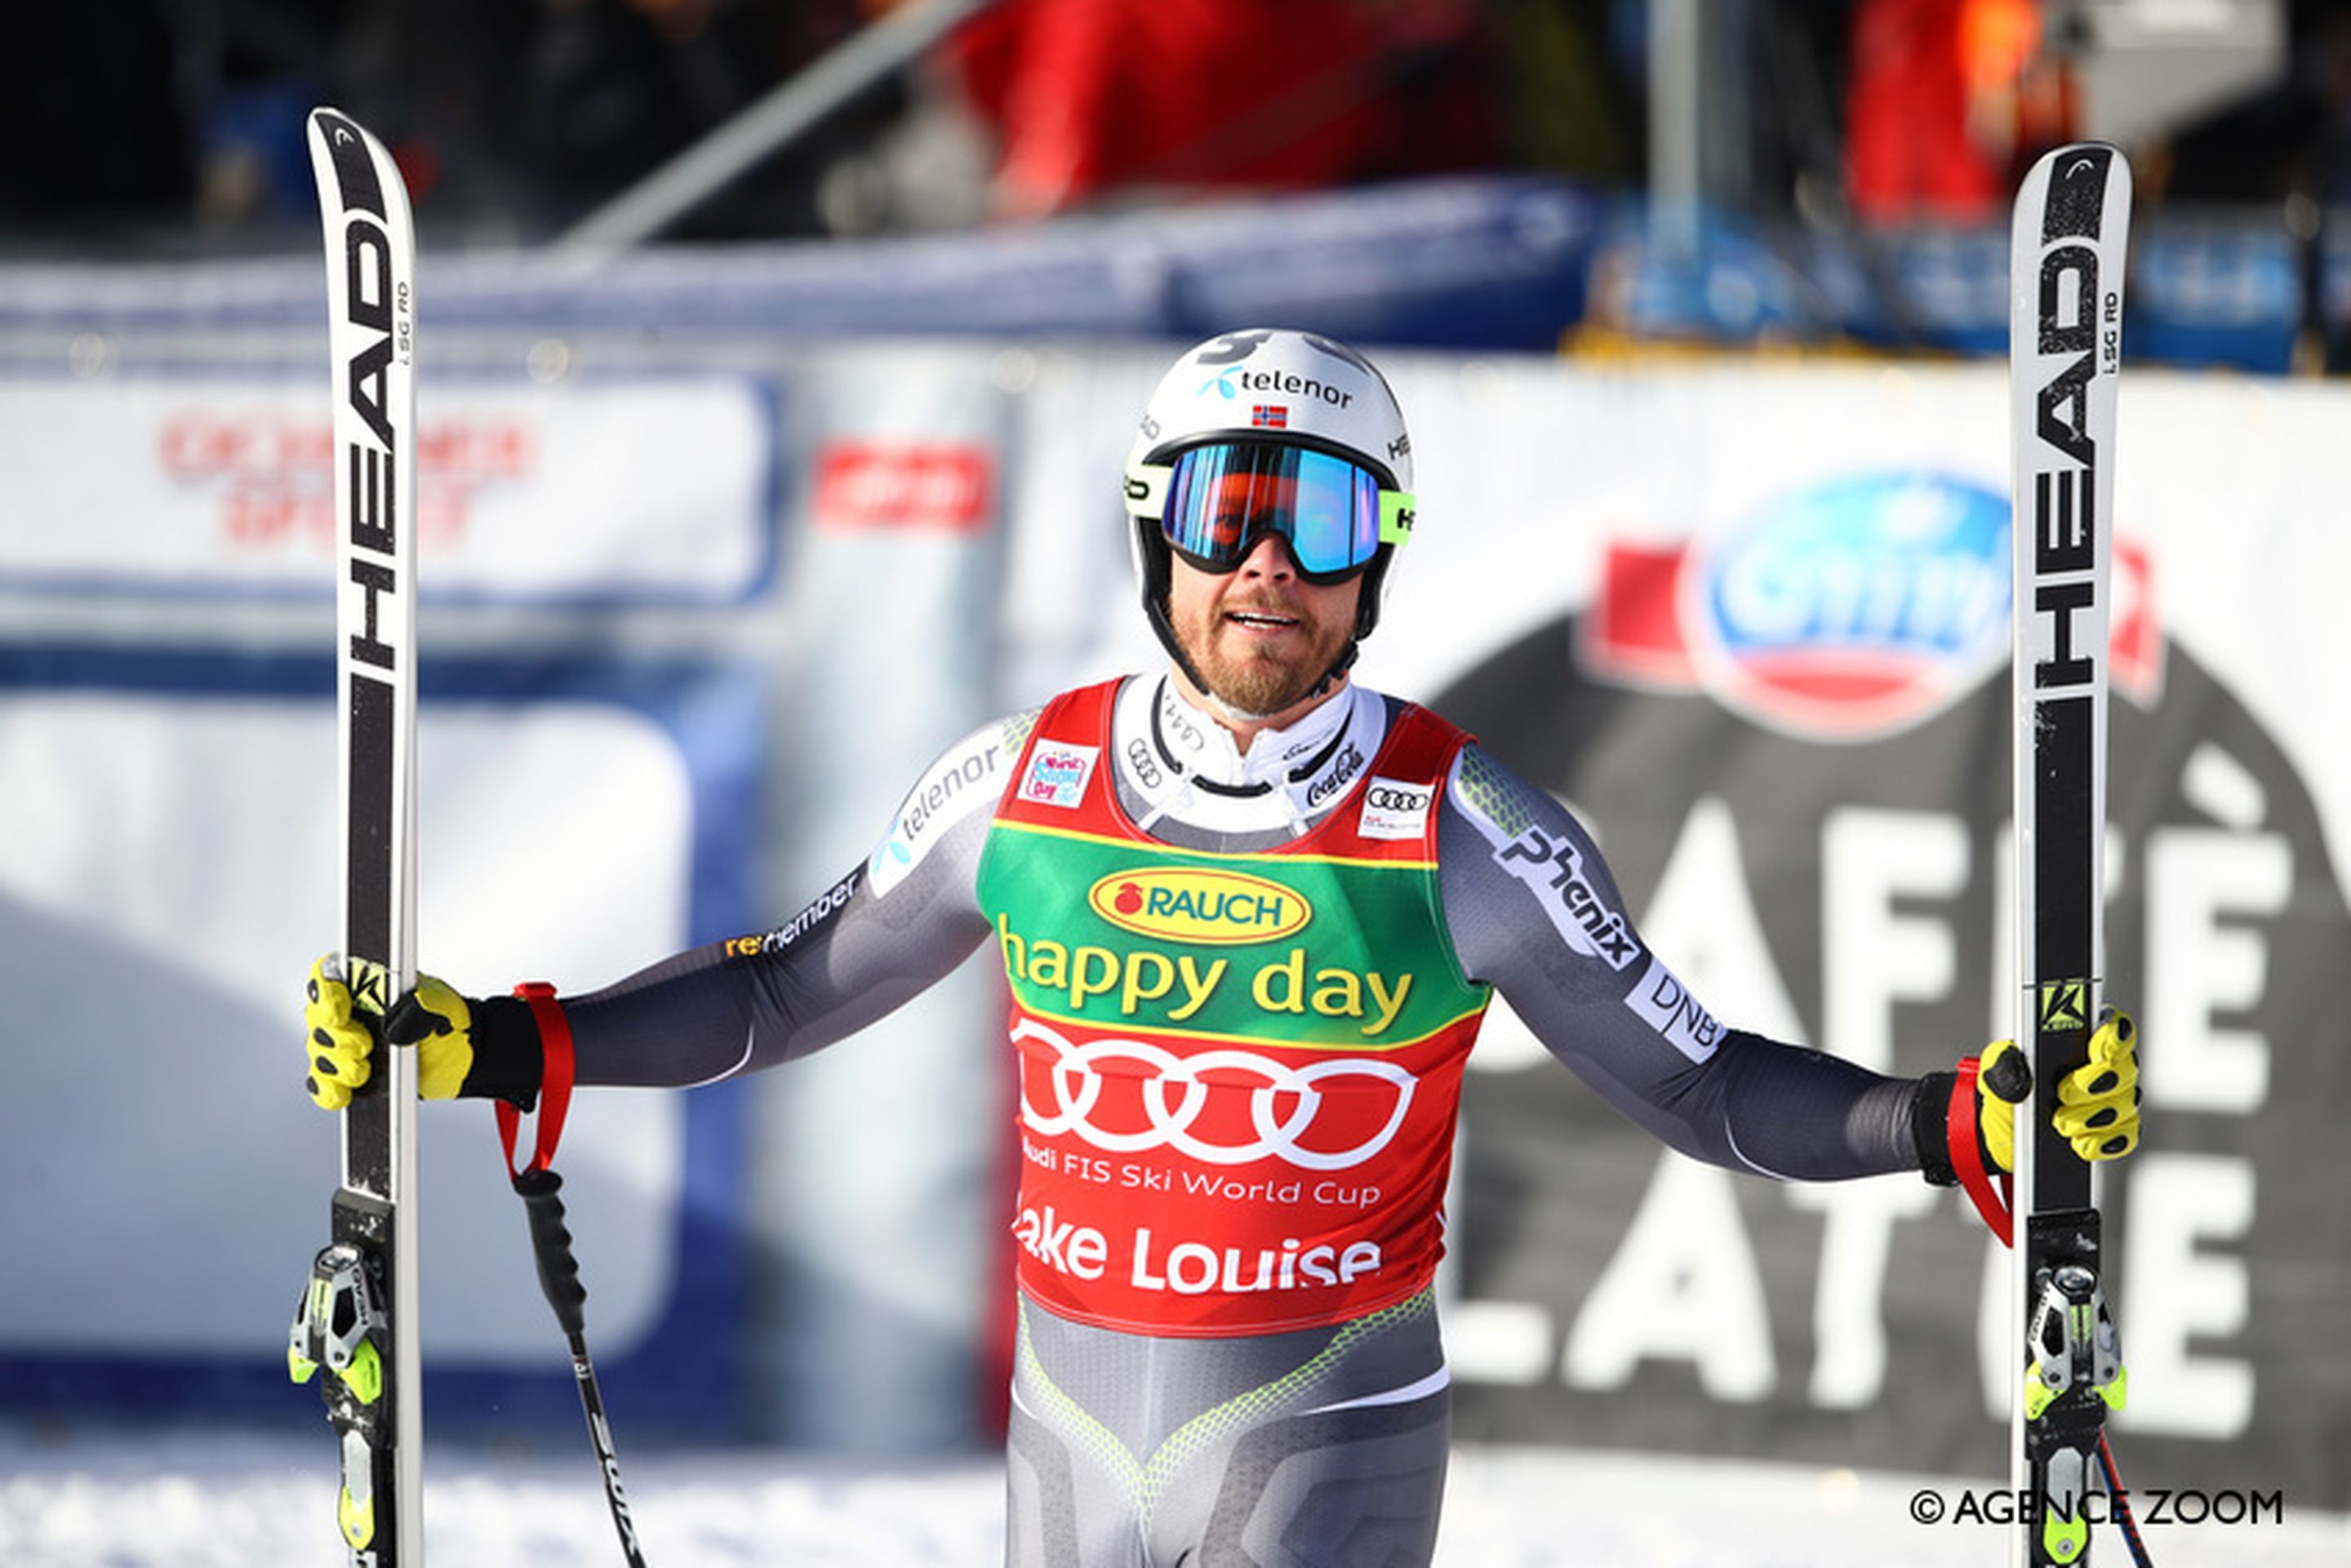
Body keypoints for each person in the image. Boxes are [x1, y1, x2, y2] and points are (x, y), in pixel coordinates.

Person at [300, 326, 2142, 1568]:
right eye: (1224, 510)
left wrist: (1944, 1119)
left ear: (1380, 561)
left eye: (1321, 519)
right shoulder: (1024, 784)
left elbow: (1709, 1086)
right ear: (1155, 537)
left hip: (1323, 1454)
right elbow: (788, 984)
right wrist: (509, 1042)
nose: (1268, 562)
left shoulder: (1462, 823)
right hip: (1063, 1456)